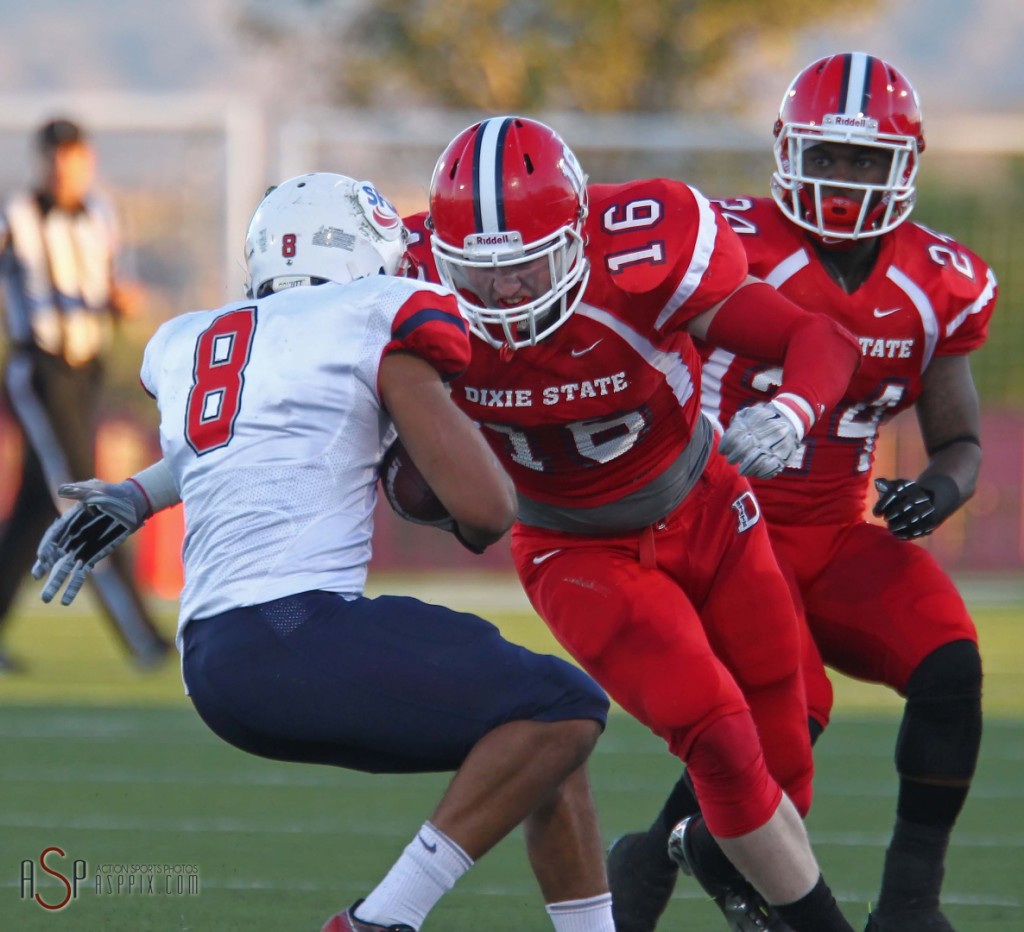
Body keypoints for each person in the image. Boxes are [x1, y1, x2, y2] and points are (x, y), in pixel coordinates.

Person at [32, 172, 617, 932]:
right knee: (565, 706)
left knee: (540, 743)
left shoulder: (195, 338)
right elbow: (485, 513)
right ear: (363, 254)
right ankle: (383, 920)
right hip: (295, 630)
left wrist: (137, 494)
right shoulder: (374, 314)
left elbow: (240, 434)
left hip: (215, 660)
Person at [409, 116, 864, 932]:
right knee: (718, 736)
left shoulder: (646, 257)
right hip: (573, 547)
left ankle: (685, 854)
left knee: (785, 748)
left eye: (525, 267)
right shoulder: (405, 290)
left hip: (709, 504)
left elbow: (815, 334)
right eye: (478, 276)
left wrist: (794, 412)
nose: (504, 295)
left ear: (580, 235)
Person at [612, 53, 993, 932]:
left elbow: (962, 441)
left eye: (866, 160)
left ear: (905, 163)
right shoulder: (727, 241)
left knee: (951, 666)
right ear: (788, 151)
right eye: (827, 155)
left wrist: (936, 494)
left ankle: (908, 905)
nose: (845, 179)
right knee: (796, 709)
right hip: (726, 524)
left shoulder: (940, 280)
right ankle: (676, 858)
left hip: (837, 530)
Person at [0, 116, 171, 670]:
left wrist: (122, 301)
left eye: (73, 159)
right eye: (55, 160)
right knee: (80, 494)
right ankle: (142, 638)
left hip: (85, 369)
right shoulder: (17, 218)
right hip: (41, 369)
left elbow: (109, 284)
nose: (65, 171)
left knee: (34, 507)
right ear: (42, 163)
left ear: (87, 161)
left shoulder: (100, 214)